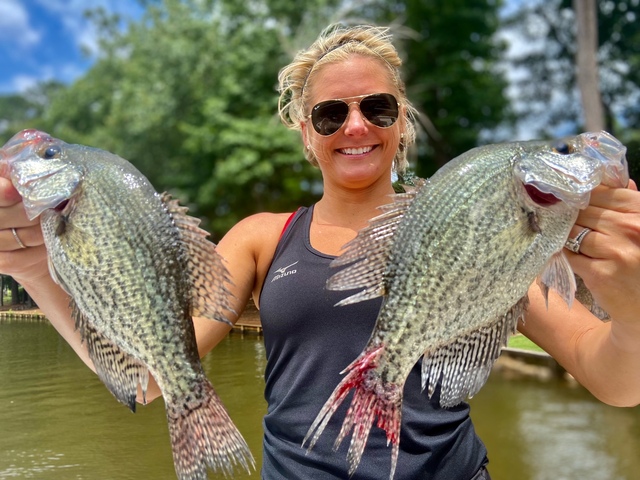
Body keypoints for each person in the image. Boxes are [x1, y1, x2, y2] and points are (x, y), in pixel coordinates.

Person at [1, 24, 639, 480]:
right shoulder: (260, 237)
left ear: (401, 122)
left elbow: (614, 378)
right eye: (331, 115)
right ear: (307, 134)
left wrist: (632, 303)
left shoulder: (473, 230)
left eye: (377, 107)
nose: (355, 126)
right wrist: (31, 266)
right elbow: (147, 378)